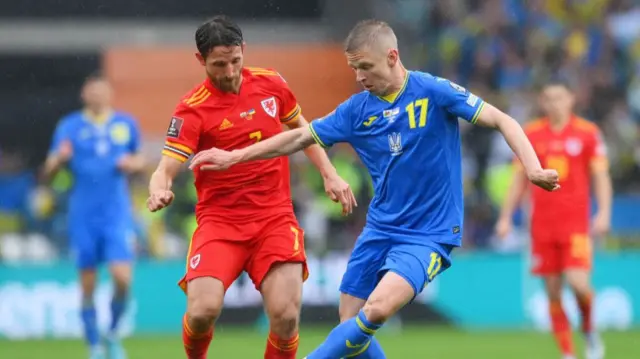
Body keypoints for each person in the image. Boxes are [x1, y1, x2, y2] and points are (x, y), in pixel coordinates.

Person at [189, 19, 560, 359]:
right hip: (380, 230)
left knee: (376, 310)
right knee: (349, 322)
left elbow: (502, 119)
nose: (358, 76)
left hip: (428, 234)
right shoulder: (356, 110)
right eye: (354, 68)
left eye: (365, 67)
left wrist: (533, 167)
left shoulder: (432, 90)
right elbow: (298, 137)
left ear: (392, 56)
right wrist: (234, 157)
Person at [145, 15, 354, 359]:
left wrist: (329, 173)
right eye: (218, 64)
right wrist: (159, 189)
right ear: (201, 61)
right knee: (201, 312)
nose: (229, 72)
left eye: (235, 61)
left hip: (274, 217)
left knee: (286, 316)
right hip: (220, 223)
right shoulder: (191, 109)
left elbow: (302, 129)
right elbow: (165, 167)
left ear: (244, 50)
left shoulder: (272, 84)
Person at [496, 80, 611, 359]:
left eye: (559, 97)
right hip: (543, 227)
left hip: (575, 225)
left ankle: (588, 328)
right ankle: (568, 353)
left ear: (571, 99)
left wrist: (604, 212)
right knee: (553, 292)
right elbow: (519, 179)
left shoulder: (587, 133)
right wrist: (505, 217)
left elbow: (600, 176)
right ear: (542, 102)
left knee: (579, 284)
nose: (554, 103)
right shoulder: (532, 133)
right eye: (548, 98)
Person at [43, 73, 144, 359]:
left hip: (116, 213)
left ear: (110, 95)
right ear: (84, 95)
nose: (97, 96)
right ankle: (94, 344)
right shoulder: (70, 126)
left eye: (102, 91)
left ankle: (112, 331)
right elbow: (49, 169)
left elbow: (141, 159)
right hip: (83, 214)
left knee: (122, 278)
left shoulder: (125, 124)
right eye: (92, 92)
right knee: (87, 283)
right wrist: (57, 160)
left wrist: (131, 162)